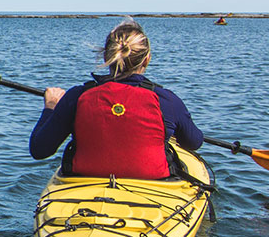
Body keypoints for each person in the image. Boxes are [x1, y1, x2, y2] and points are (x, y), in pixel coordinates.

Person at [30, 19, 202, 179]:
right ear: (147, 59)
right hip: (153, 187)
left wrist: (50, 107)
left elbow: (39, 150)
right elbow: (194, 142)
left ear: (107, 56)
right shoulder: (167, 101)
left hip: (85, 185)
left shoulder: (76, 97)